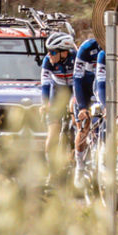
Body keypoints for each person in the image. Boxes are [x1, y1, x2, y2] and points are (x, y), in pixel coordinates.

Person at [41, 32, 77, 170]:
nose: (49, 55)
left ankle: (76, 156)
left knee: (77, 122)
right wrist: (45, 104)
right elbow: (45, 84)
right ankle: (51, 172)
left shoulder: (76, 58)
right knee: (52, 134)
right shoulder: (47, 61)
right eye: (48, 51)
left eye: (53, 52)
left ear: (64, 52)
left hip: (75, 90)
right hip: (57, 93)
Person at [72, 37, 103, 187]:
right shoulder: (86, 48)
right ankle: (79, 167)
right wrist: (82, 106)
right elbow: (77, 78)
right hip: (86, 89)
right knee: (85, 126)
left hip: (104, 89)